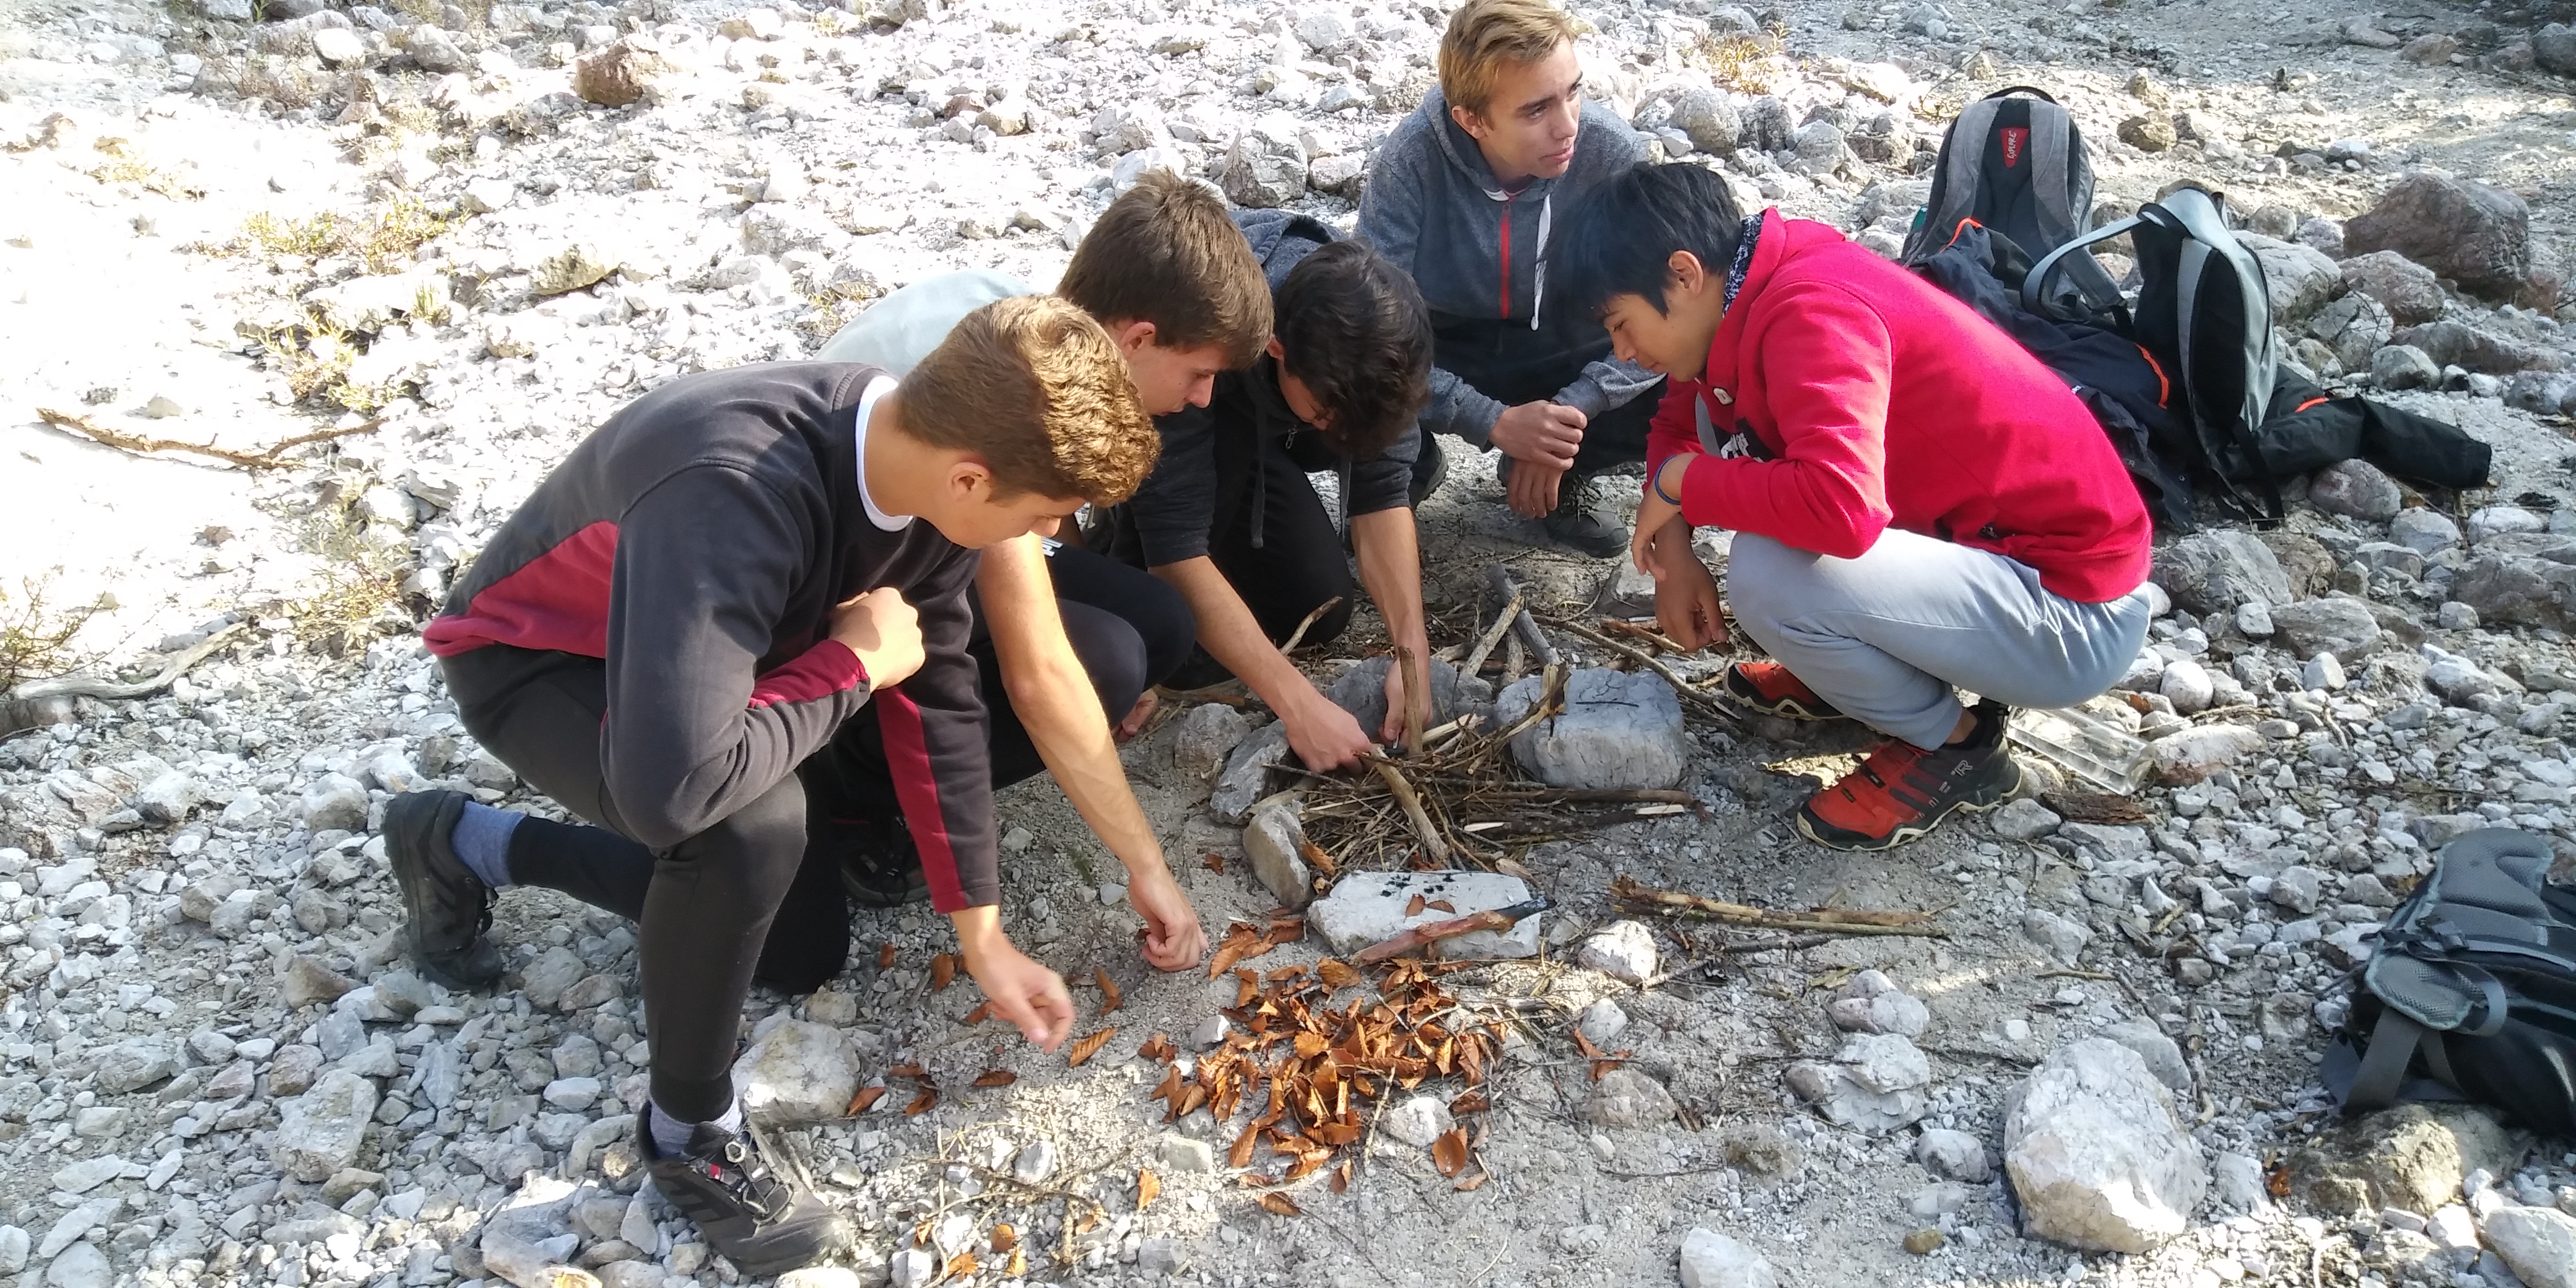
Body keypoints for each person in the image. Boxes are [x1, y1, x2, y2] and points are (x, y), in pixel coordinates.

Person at [389, 298, 1159, 1272]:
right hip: (546, 660)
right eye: (1046, 512)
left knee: (797, 944)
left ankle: (466, 842)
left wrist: (984, 932)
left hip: (732, 663)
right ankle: (688, 1137)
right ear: (972, 477)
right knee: (745, 829)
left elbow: (940, 696)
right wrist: (853, 666)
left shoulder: (920, 473)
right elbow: (674, 790)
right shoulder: (735, 489)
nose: (1053, 532)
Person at [1556, 163, 2156, 851]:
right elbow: (1679, 422)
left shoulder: (1812, 311)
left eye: (1622, 324)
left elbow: (1841, 510)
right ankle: (1859, 675)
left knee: (1767, 573)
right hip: (1989, 563)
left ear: (1684, 275)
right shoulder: (1746, 293)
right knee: (1761, 512)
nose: (1624, 352)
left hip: (2073, 611)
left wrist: (1685, 485)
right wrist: (1675, 546)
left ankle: (1956, 747)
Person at [805, 173, 1266, 942]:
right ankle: (852, 794)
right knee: (1100, 660)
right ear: (1137, 339)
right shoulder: (1015, 391)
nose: (1203, 399)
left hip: (931, 533)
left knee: (1153, 619)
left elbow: (1038, 529)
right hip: (844, 594)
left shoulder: (1036, 324)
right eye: (1199, 373)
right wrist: (1145, 864)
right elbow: (1038, 666)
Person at [1089, 208, 1438, 773]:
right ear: (1277, 350)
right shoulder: (1203, 355)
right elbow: (1176, 544)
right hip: (1198, 417)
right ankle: (1117, 534)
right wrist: (1299, 707)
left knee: (1318, 608)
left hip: (1272, 433)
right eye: (1326, 414)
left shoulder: (1378, 348)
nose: (1341, 433)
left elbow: (1382, 493)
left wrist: (1411, 650)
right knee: (1166, 648)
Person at [1359, 0, 1662, 557]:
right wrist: (1491, 420)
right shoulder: (1409, 163)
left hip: (1561, 338)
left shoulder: (1611, 153)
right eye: (1536, 110)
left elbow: (1666, 313)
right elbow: (1370, 332)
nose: (1568, 126)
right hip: (1445, 340)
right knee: (1354, 361)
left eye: (1573, 91)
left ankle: (1569, 471)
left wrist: (1565, 422)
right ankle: (1407, 464)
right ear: (1472, 120)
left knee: (1686, 362)